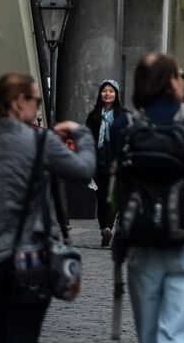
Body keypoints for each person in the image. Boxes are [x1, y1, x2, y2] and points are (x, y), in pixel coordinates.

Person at [0, 73, 95, 343]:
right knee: (25, 336)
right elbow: (83, 171)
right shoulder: (41, 143)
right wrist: (82, 134)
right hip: (31, 261)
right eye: (36, 101)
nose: (37, 107)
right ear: (18, 102)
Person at [118, 53, 184, 343]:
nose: (182, 82)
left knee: (149, 335)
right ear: (169, 83)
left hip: (142, 241)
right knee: (175, 335)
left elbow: (117, 185)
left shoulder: (125, 125)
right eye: (179, 75)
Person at [84, 79, 123, 248]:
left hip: (116, 160)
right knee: (101, 197)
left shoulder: (123, 115)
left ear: (116, 94)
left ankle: (108, 227)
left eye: (111, 91)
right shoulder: (93, 116)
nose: (108, 94)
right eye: (104, 91)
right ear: (100, 94)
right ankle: (104, 229)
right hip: (97, 159)